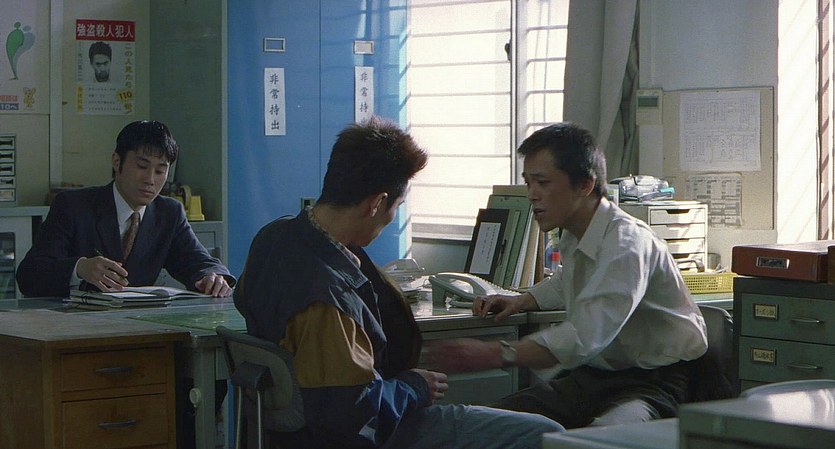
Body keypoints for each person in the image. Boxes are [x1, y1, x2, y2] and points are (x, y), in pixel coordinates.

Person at [234, 116, 563, 449]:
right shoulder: (326, 301)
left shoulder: (273, 238)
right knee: (542, 433)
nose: (392, 217)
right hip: (363, 436)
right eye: (397, 205)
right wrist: (414, 387)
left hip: (292, 433)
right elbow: (354, 417)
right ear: (377, 203)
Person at [425, 122, 712, 429]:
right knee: (490, 425)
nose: (532, 195)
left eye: (542, 182)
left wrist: (493, 354)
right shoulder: (575, 233)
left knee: (600, 438)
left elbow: (583, 337)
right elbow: (567, 281)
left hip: (656, 381)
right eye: (528, 183)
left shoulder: (626, 244)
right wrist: (520, 301)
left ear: (585, 185)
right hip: (595, 377)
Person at [17, 120, 234, 298]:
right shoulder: (73, 206)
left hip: (140, 325)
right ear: (116, 161)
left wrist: (212, 276)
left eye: (160, 171)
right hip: (76, 324)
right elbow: (29, 275)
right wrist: (80, 268)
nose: (150, 179)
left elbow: (197, 261)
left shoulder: (169, 213)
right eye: (141, 166)